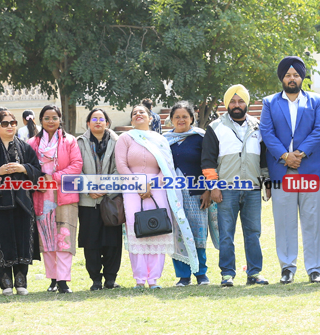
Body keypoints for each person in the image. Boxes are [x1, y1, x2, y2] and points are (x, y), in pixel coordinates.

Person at [115, 103, 199, 288]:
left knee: (157, 229)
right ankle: (139, 280)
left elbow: (167, 167)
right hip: (133, 190)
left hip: (158, 188)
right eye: (135, 113)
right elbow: (121, 165)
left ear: (150, 117)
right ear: (131, 119)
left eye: (142, 112)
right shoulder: (125, 138)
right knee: (137, 230)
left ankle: (153, 279)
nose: (138, 114)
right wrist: (138, 183)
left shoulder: (160, 140)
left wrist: (151, 184)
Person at [260, 56, 320, 284]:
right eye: (288, 75)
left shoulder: (315, 101)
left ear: (302, 77)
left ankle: (315, 268)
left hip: (309, 169)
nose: (292, 79)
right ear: (282, 78)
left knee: (312, 221)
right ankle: (287, 267)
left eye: (296, 75)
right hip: (282, 171)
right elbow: (267, 132)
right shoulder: (270, 102)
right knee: (284, 221)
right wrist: (285, 156)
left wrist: (299, 154)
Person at [201, 85, 270, 287]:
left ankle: (254, 273)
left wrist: (266, 182)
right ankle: (227, 274)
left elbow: (264, 159)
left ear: (246, 103)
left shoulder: (258, 127)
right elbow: (207, 161)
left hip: (252, 189)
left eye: (240, 101)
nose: (237, 105)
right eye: (232, 101)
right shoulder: (215, 127)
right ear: (226, 104)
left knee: (253, 233)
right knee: (226, 234)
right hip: (226, 189)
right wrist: (213, 186)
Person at [0, 108, 43, 295]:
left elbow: (37, 170)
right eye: (5, 123)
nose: (9, 127)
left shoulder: (26, 148)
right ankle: (5, 282)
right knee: (3, 240)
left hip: (23, 203)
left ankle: (21, 281)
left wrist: (23, 168)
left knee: (23, 240)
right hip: (0, 204)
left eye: (12, 123)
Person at [27, 104, 82, 293]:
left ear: (60, 120)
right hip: (41, 196)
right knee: (47, 239)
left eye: (54, 118)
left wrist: (54, 177)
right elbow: (28, 167)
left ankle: (63, 280)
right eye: (47, 118)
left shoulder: (70, 141)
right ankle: (53, 278)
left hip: (65, 196)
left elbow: (76, 165)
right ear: (40, 120)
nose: (51, 121)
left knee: (64, 238)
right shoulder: (32, 143)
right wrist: (39, 179)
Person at [166, 101, 212, 286]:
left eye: (185, 116)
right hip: (172, 194)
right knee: (177, 233)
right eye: (177, 117)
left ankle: (201, 274)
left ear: (192, 118)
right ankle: (183, 276)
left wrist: (208, 190)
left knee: (197, 233)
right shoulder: (164, 141)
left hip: (196, 193)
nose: (181, 120)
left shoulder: (201, 137)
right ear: (171, 119)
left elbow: (209, 163)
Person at [76, 108, 123, 290]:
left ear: (107, 123)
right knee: (91, 241)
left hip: (110, 199)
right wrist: (89, 188)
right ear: (88, 123)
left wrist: (106, 188)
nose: (97, 122)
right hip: (88, 201)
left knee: (113, 241)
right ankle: (95, 279)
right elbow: (76, 168)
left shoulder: (117, 142)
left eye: (101, 119)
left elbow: (120, 168)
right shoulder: (79, 142)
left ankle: (111, 278)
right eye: (94, 119)